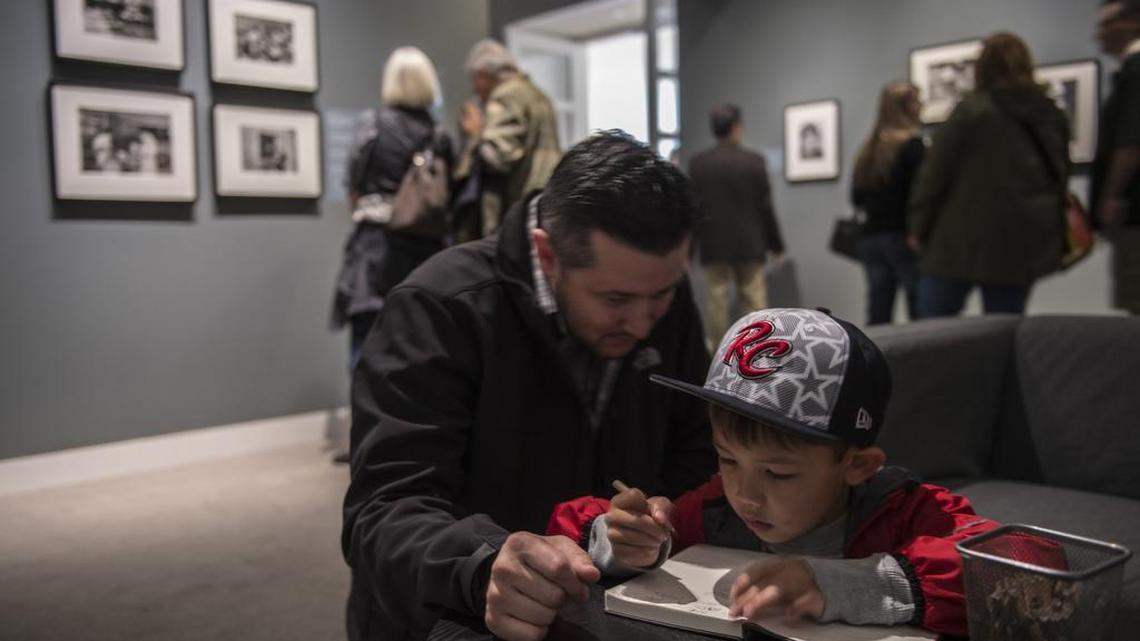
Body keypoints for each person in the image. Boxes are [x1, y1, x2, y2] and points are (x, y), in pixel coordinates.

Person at [342, 131, 716, 641]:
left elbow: (695, 451)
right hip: (450, 619)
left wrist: (659, 518)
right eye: (615, 299)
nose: (644, 322)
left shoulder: (658, 298)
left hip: (612, 614)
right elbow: (383, 511)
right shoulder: (440, 307)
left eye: (662, 295)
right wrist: (483, 563)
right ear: (547, 255)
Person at [547, 307, 1024, 638]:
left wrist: (840, 585)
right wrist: (627, 542)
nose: (745, 495)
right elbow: (567, 525)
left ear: (856, 466)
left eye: (778, 474)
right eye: (727, 458)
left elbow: (1024, 565)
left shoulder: (901, 512)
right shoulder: (715, 510)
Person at [329, 47, 453, 462]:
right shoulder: (437, 135)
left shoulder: (371, 126)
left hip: (374, 249)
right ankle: (412, 436)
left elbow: (353, 182)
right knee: (421, 339)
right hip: (424, 248)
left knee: (366, 341)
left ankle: (365, 439)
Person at [908, 32, 1069, 318]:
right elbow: (1058, 176)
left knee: (932, 329)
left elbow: (934, 176)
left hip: (959, 238)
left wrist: (918, 226)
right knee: (1005, 328)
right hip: (1020, 236)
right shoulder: (1049, 114)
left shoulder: (973, 112)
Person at [688, 104, 786, 347]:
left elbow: (692, 210)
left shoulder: (699, 164)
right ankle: (757, 350)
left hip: (713, 243)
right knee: (754, 301)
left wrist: (689, 250)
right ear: (736, 127)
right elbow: (766, 208)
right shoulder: (753, 161)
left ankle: (720, 356)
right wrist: (777, 246)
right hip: (750, 241)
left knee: (717, 302)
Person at [454, 39, 561, 240]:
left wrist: (476, 133)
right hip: (543, 203)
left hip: (518, 209)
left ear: (483, 75)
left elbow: (496, 158)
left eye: (474, 80)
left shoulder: (505, 96)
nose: (475, 89)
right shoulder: (539, 95)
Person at [850, 82, 925, 325]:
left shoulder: (867, 150)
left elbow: (856, 198)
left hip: (871, 237)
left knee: (878, 312)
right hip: (903, 236)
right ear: (907, 108)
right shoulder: (912, 146)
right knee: (920, 310)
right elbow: (920, 195)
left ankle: (875, 360)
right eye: (916, 102)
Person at [1092, 0, 1140, 315]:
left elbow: (1131, 141)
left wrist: (1112, 196)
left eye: (1108, 24)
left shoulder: (1136, 71)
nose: (1100, 35)